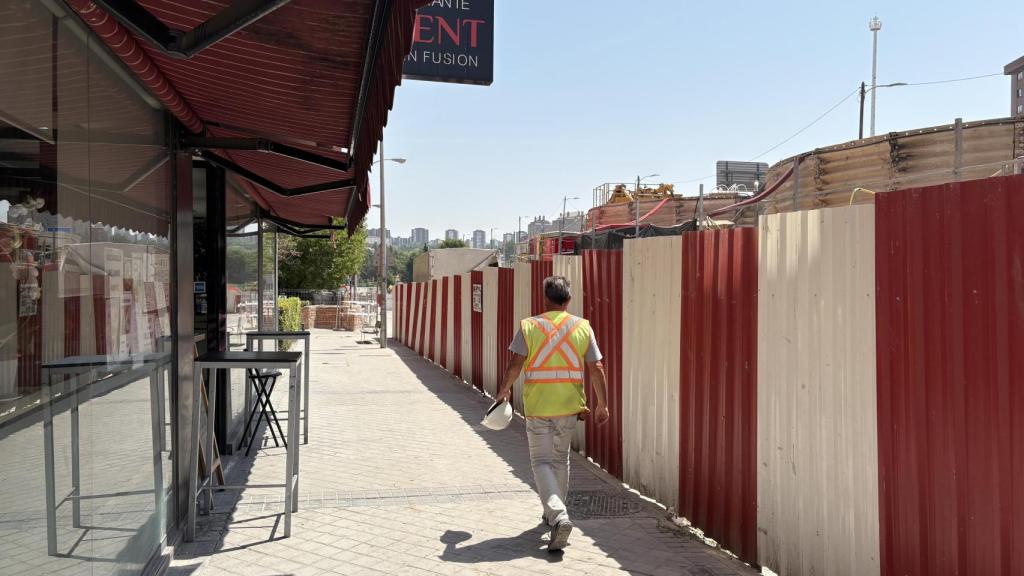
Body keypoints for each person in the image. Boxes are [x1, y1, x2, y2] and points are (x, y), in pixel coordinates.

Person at [495, 275, 610, 552]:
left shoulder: (530, 326)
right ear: (568, 299)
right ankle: (554, 515)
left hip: (539, 406)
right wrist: (602, 404)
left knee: (541, 462)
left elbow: (515, 363)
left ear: (545, 298)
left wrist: (504, 390)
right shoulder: (582, 327)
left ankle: (558, 515)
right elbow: (596, 367)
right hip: (569, 406)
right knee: (560, 460)